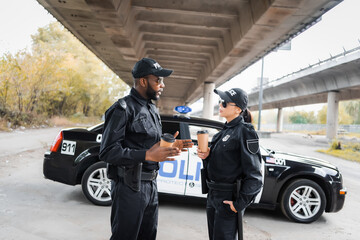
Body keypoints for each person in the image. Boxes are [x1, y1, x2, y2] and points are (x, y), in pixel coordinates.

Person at [99, 57, 193, 240]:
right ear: (143, 81)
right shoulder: (123, 109)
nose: (162, 84)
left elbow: (147, 141)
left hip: (151, 186)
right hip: (129, 186)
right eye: (158, 80)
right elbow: (107, 151)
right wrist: (147, 155)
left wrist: (171, 146)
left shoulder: (151, 109)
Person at [197, 88, 262, 240]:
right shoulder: (222, 133)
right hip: (213, 195)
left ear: (238, 109)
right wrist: (206, 157)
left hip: (228, 198)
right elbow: (221, 164)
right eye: (220, 102)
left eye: (225, 103)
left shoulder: (245, 131)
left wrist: (239, 204)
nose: (220, 105)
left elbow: (255, 175)